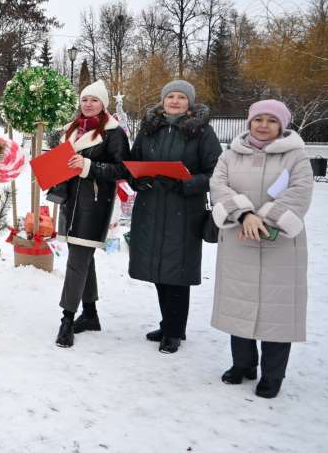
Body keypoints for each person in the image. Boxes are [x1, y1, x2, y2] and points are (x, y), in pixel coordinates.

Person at [210, 100, 313, 398]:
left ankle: (272, 374)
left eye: (271, 120)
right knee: (238, 301)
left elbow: (300, 192)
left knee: (277, 310)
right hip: (239, 240)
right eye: (258, 119)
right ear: (249, 122)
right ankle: (243, 364)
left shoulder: (295, 157)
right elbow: (219, 186)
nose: (263, 125)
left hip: (279, 245)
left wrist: (264, 219)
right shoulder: (230, 155)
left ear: (282, 125)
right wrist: (244, 214)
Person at [127, 79, 222, 354]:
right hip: (151, 208)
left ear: (189, 103)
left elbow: (216, 172)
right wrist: (137, 181)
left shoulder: (201, 132)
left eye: (181, 97)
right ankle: (168, 323)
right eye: (171, 97)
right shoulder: (149, 129)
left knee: (177, 271)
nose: (175, 101)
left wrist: (186, 184)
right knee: (158, 269)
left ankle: (174, 330)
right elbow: (133, 163)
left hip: (184, 212)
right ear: (163, 100)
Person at [53, 80, 130, 348]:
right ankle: (91, 314)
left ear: (103, 104)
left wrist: (88, 165)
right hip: (71, 202)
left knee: (77, 259)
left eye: (94, 100)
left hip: (94, 204)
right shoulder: (72, 130)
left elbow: (122, 169)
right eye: (85, 99)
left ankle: (67, 319)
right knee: (84, 258)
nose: (88, 104)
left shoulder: (113, 132)